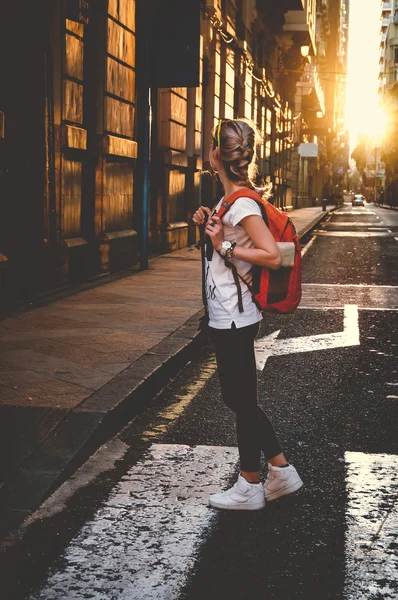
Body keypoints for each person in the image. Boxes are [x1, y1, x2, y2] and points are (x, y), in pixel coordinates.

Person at [192, 118, 303, 510]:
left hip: (236, 314)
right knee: (238, 397)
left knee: (239, 399)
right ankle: (280, 471)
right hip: (229, 312)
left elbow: (270, 254)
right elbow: (222, 250)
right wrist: (208, 229)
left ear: (217, 155)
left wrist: (225, 248)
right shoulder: (229, 201)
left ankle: (250, 484)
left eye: (211, 145)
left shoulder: (240, 202)